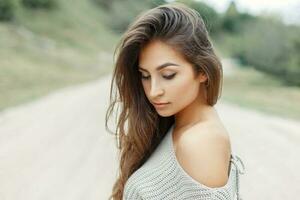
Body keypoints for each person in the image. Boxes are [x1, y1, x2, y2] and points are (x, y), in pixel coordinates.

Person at [105, 2, 245, 200]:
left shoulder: (200, 142)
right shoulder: (176, 125)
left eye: (168, 75)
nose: (153, 92)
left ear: (202, 71)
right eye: (145, 75)